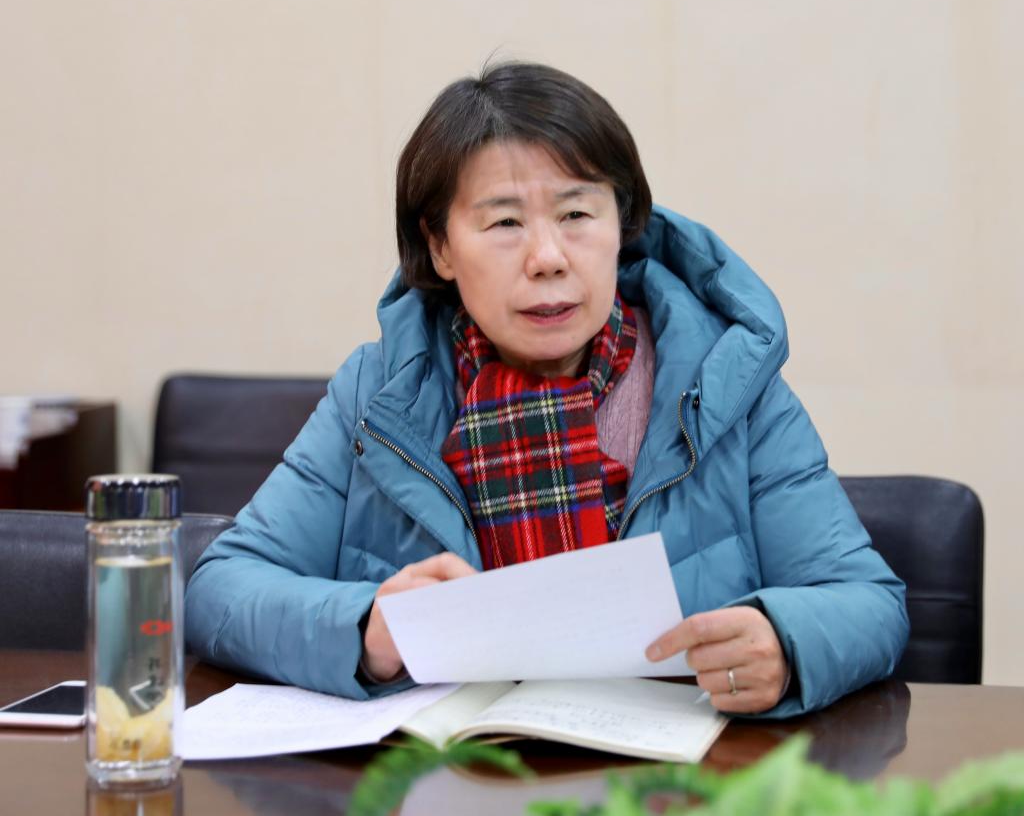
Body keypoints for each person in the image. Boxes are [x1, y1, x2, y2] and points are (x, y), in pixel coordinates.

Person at [185, 62, 908, 716]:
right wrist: (365, 630)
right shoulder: (380, 395)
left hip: (669, 785)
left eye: (576, 214)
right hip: (446, 780)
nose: (548, 258)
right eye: (504, 222)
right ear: (440, 246)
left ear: (622, 223)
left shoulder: (724, 384)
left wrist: (784, 641)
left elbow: (868, 602)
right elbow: (220, 589)